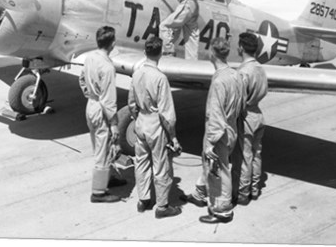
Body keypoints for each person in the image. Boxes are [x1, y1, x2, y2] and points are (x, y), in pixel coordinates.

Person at [182, 37, 242, 224]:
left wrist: (212, 142)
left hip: (219, 133)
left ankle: (222, 211)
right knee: (212, 167)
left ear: (212, 53)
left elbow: (215, 114)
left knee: (218, 171)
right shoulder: (235, 75)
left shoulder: (218, 81)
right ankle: (200, 194)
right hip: (231, 128)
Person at [128, 36, 182, 219]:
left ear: (144, 53)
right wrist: (173, 137)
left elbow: (131, 103)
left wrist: (138, 119)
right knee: (160, 165)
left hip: (141, 122)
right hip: (155, 124)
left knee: (141, 162)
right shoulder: (160, 78)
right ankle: (162, 206)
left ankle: (143, 200)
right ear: (160, 54)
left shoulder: (136, 73)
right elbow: (167, 114)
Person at [79, 26, 126, 203]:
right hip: (101, 108)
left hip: (91, 104)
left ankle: (108, 177)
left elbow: (82, 78)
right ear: (112, 43)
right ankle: (98, 192)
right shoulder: (107, 67)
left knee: (100, 146)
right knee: (103, 149)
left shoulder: (90, 57)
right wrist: (114, 124)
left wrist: (89, 94)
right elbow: (108, 100)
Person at [233, 32, 268, 205]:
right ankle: (254, 190)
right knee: (256, 155)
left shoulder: (243, 71)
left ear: (241, 48)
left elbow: (238, 100)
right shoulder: (261, 68)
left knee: (245, 156)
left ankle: (242, 194)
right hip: (258, 115)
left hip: (246, 117)